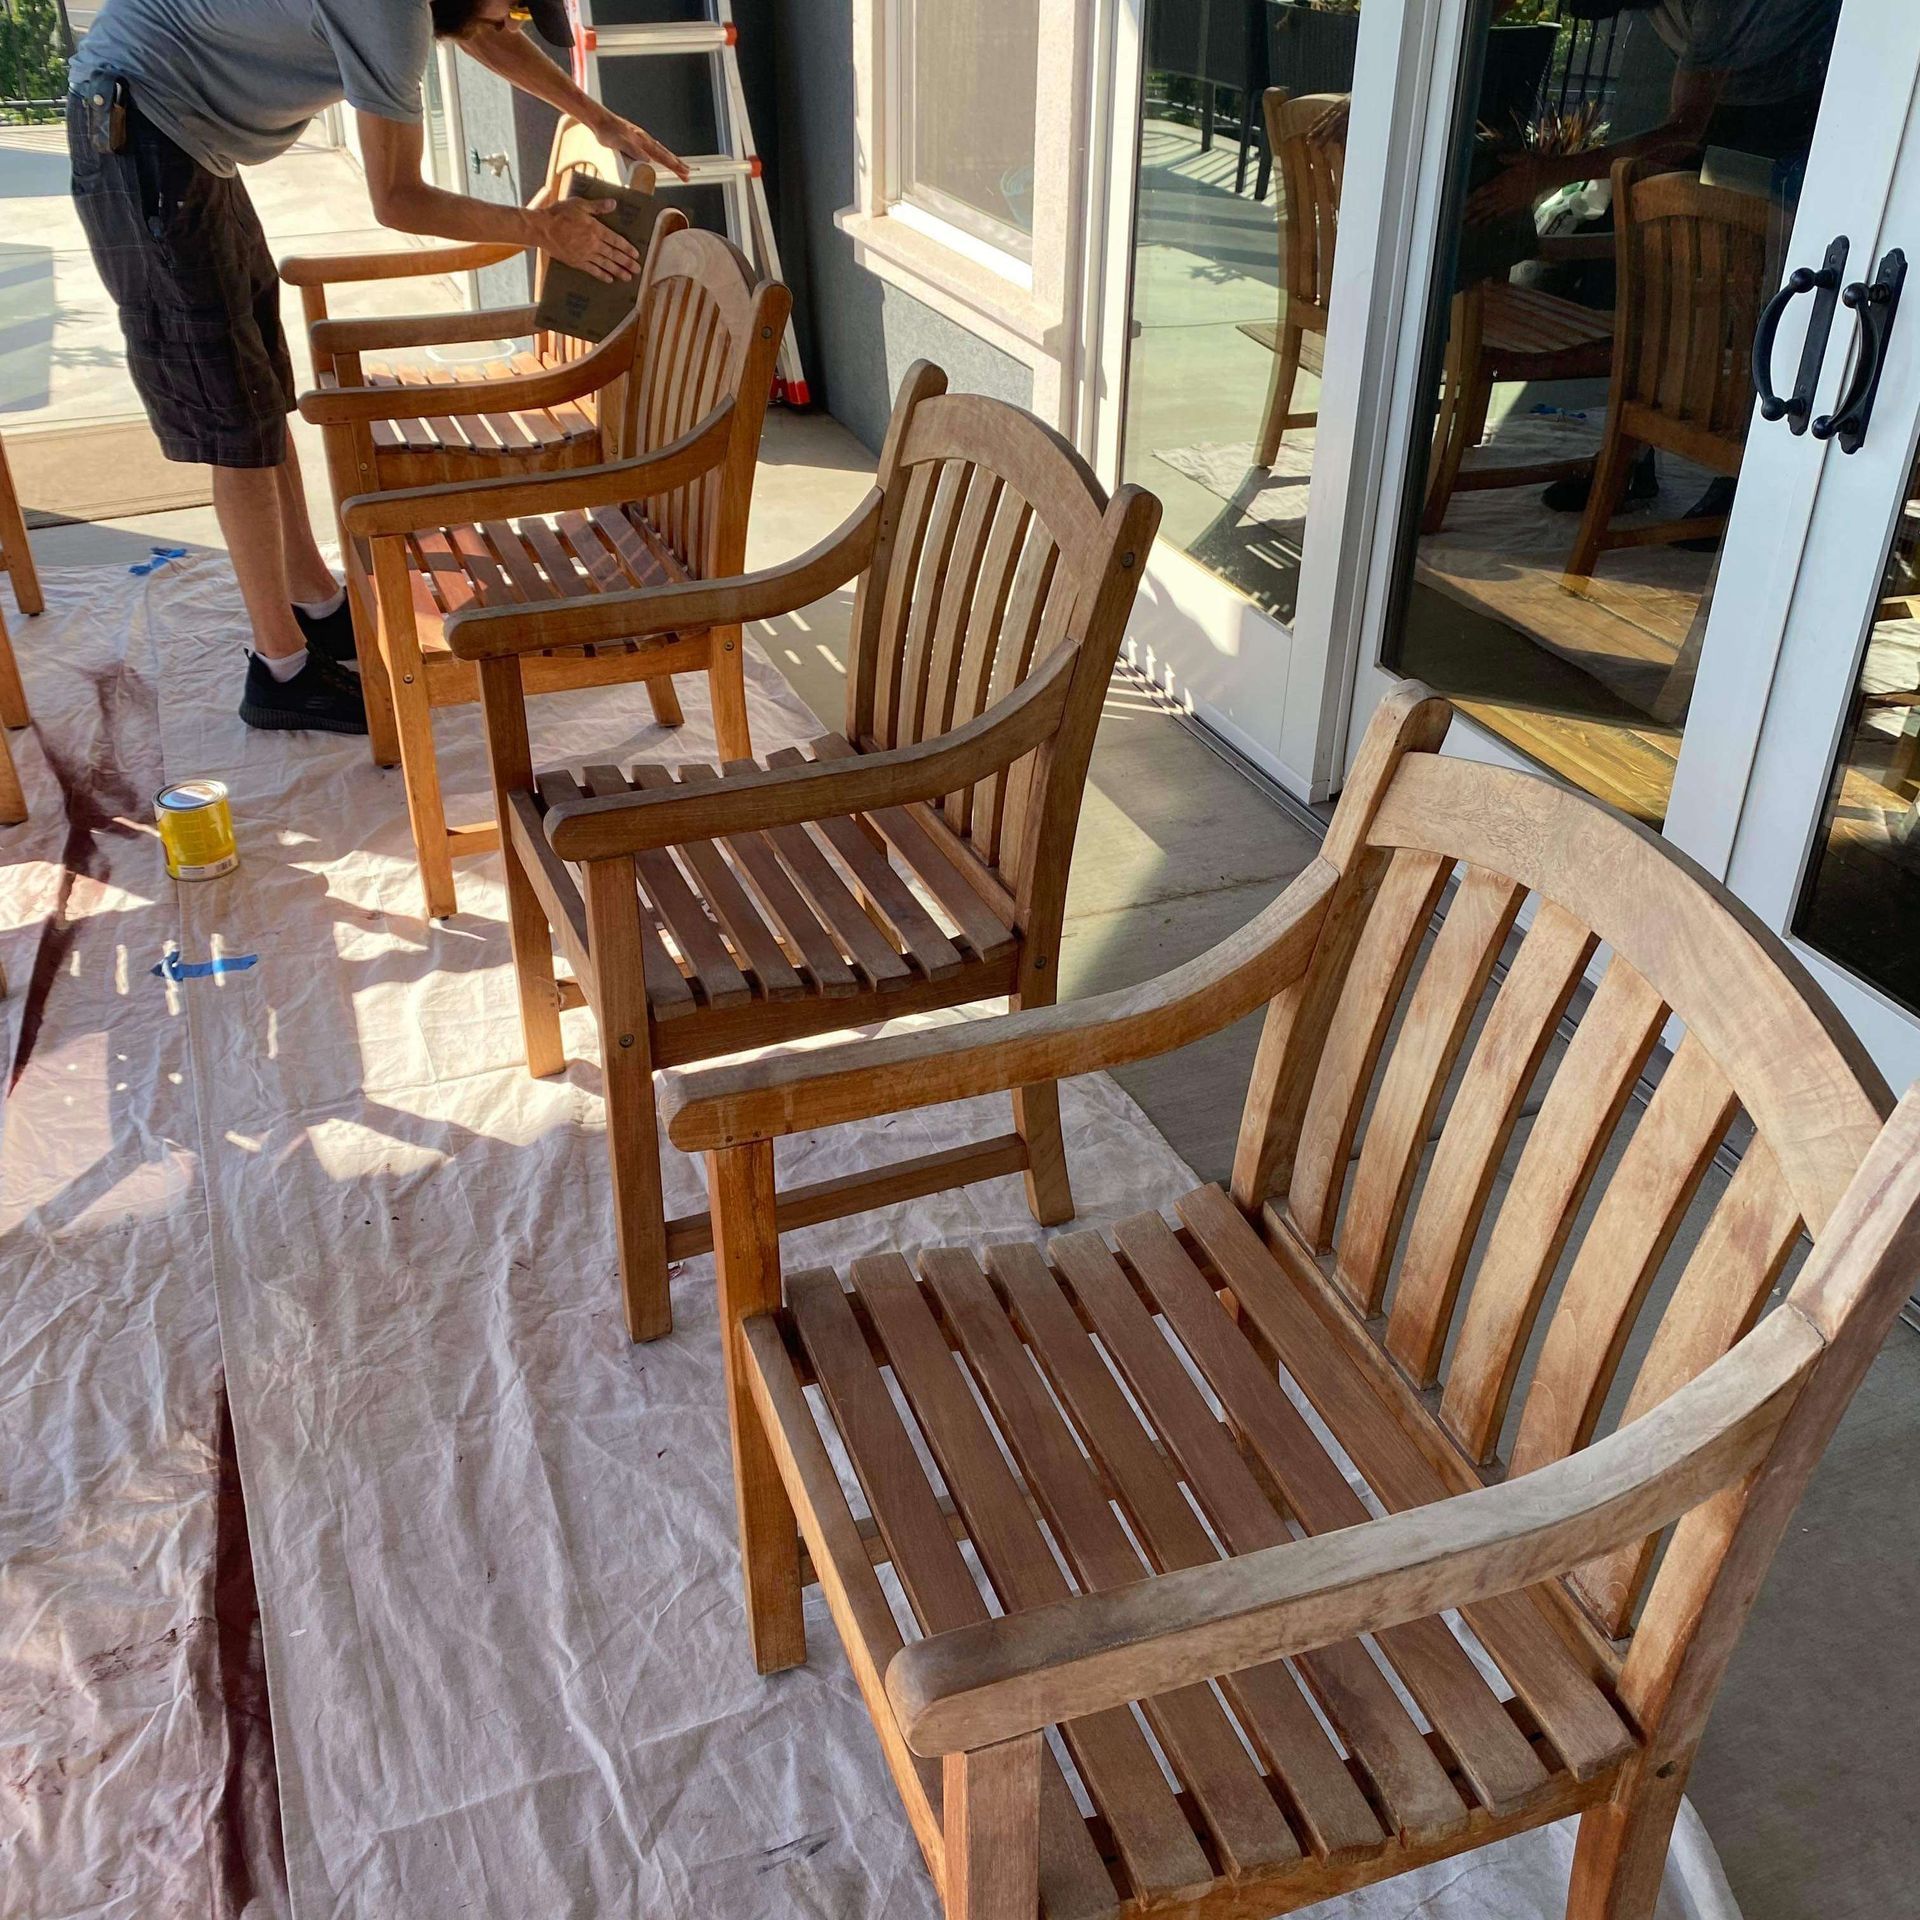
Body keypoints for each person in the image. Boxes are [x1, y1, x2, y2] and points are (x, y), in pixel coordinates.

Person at [67, 0, 687, 735]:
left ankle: (317, 610)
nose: (511, 19)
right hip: (139, 123)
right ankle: (281, 672)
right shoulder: (392, 11)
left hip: (185, 136)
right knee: (230, 414)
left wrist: (601, 119)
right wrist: (537, 229)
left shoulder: (437, 7)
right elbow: (396, 198)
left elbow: (484, 32)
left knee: (257, 385)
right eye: (511, 2)